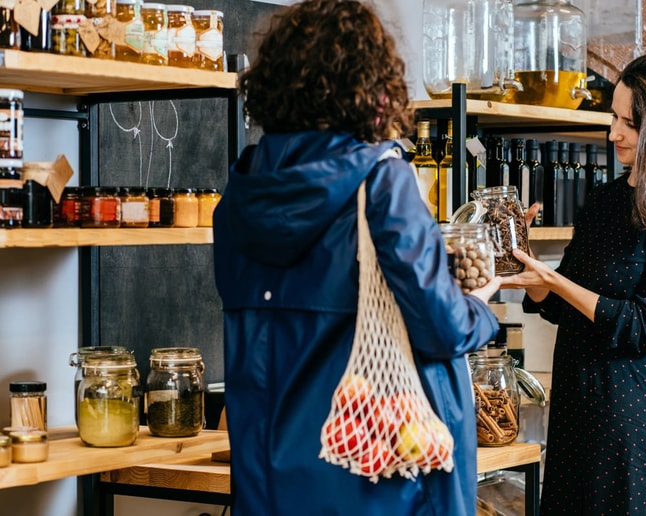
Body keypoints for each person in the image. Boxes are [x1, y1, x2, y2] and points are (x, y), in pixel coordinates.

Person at [212, 1, 506, 514]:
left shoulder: (240, 196)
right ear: (370, 87)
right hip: (375, 474)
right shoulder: (382, 182)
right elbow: (441, 327)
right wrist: (479, 306)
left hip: (268, 480)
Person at [503, 52, 646, 515]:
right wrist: (526, 265)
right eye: (614, 117)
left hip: (630, 431)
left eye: (630, 123)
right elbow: (561, 304)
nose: (614, 134)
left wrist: (556, 281)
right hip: (574, 418)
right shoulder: (605, 199)